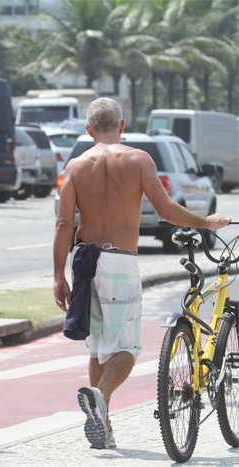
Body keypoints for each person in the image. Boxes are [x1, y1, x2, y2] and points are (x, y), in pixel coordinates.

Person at [53, 97, 231, 450]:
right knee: (128, 348)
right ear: (122, 126)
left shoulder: (75, 166)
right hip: (120, 261)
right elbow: (165, 210)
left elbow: (62, 223)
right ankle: (99, 396)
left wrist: (58, 275)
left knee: (99, 348)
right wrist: (205, 222)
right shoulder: (137, 159)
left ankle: (101, 423)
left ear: (88, 130)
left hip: (85, 261)